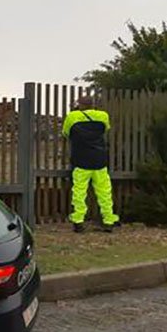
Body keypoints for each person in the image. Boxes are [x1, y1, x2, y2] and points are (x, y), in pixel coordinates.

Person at [62, 96, 120, 233]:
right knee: (104, 192)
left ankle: (78, 220)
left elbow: (65, 133)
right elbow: (105, 128)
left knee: (79, 192)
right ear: (93, 105)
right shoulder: (103, 116)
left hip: (81, 160)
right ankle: (108, 220)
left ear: (79, 105)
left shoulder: (72, 116)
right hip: (99, 160)